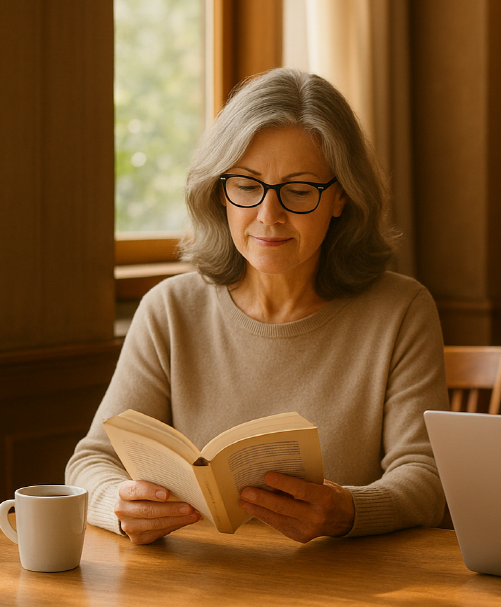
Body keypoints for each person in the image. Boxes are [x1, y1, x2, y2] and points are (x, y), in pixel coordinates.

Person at [67, 67, 448, 545]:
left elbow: (427, 480)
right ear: (219, 192)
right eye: (247, 186)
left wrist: (349, 511)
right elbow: (89, 462)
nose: (269, 216)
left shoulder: (401, 309)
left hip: (344, 588)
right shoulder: (169, 309)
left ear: (341, 198)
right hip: (193, 586)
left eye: (299, 190)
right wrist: (119, 504)